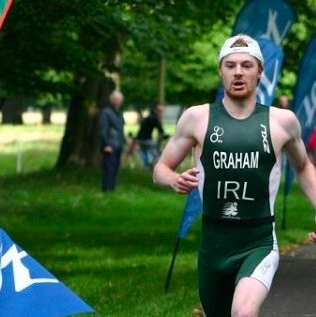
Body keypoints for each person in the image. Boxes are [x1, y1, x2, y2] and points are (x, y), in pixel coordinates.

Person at [153, 34, 316, 317]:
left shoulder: (282, 121)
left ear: (260, 72)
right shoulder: (197, 118)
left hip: (259, 240)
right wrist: (172, 179)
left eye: (246, 65)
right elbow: (160, 168)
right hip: (214, 243)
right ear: (220, 71)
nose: (238, 72)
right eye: (230, 65)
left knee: (242, 313)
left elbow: (303, 167)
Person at [99, 90, 125, 191]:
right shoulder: (106, 113)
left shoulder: (119, 113)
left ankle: (112, 187)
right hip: (110, 144)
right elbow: (103, 129)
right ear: (112, 100)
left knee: (115, 167)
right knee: (109, 167)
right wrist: (106, 144)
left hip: (118, 144)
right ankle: (107, 188)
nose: (119, 101)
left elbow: (120, 129)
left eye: (120, 99)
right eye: (117, 99)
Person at [135, 103, 168, 168]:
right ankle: (152, 166)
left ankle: (146, 166)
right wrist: (165, 135)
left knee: (144, 152)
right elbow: (160, 129)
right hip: (146, 139)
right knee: (157, 154)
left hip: (139, 138)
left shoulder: (148, 116)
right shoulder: (154, 118)